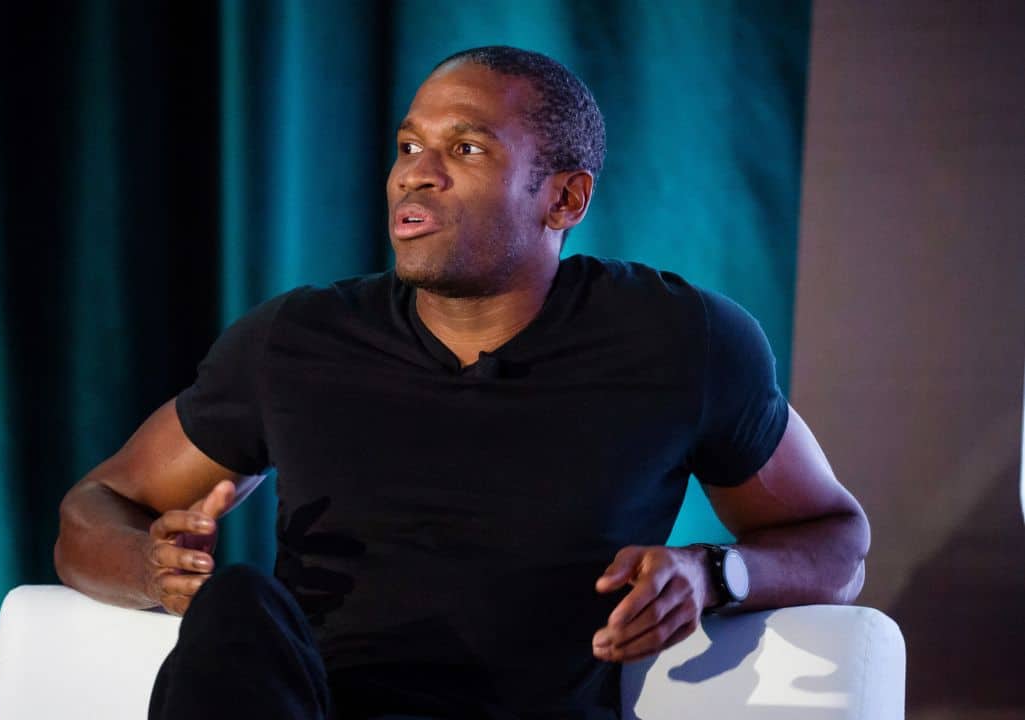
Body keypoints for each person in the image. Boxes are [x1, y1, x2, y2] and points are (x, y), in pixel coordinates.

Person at [54, 46, 869, 720]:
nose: (416, 174)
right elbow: (95, 509)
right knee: (237, 604)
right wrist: (149, 567)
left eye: (466, 149)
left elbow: (835, 540)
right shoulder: (294, 340)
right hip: (320, 705)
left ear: (563, 198)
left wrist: (712, 573)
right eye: (408, 146)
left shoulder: (680, 339)